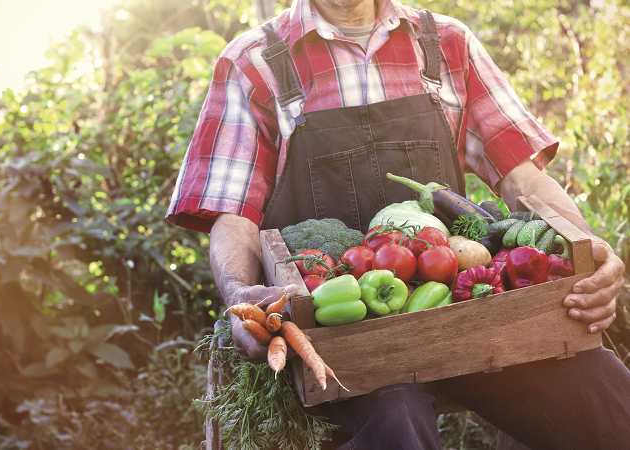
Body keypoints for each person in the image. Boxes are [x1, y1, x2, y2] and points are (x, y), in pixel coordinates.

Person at [166, 0, 630, 447]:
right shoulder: (253, 63)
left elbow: (522, 175)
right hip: (345, 346)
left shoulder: (446, 43)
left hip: (466, 317)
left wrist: (587, 248)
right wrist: (239, 295)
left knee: (606, 397)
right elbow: (234, 214)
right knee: (396, 419)